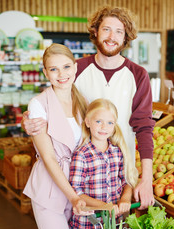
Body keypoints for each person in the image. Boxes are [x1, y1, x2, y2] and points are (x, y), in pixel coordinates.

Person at [22, 6, 155, 210]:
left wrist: (146, 178)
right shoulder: (76, 68)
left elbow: (144, 127)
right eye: (106, 29)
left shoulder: (138, 75)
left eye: (119, 31)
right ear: (95, 31)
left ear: (126, 36)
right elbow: (50, 102)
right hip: (84, 174)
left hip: (121, 175)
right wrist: (28, 119)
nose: (112, 37)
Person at [23, 43, 91, 229]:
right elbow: (49, 157)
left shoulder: (84, 101)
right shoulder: (38, 105)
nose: (61, 74)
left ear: (75, 67)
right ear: (45, 73)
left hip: (80, 185)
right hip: (50, 188)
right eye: (53, 69)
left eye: (66, 67)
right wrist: (73, 196)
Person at [69, 98, 138, 229]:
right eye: (98, 121)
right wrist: (104, 206)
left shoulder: (117, 152)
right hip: (89, 226)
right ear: (88, 122)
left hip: (114, 225)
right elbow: (76, 192)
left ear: (114, 126)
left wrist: (125, 199)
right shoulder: (81, 155)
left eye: (109, 123)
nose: (104, 127)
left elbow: (126, 181)